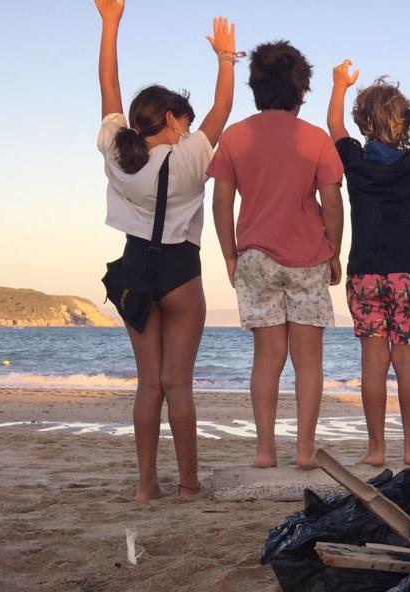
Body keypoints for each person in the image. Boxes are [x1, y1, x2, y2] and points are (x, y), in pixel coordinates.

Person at [95, 0, 236, 500]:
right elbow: (223, 109)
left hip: (134, 270)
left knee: (147, 384)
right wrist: (225, 58)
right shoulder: (191, 156)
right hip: (180, 272)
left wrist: (110, 24)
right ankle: (189, 484)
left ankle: (146, 486)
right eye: (185, 120)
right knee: (178, 384)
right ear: (174, 119)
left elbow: (109, 89)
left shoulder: (119, 153)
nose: (190, 126)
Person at [209, 41, 345, 470]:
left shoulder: (235, 137)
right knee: (308, 362)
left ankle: (265, 449)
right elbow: (333, 200)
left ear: (254, 87)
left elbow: (220, 201)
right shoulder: (316, 140)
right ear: (302, 90)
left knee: (266, 359)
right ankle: (304, 450)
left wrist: (229, 254)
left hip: (255, 256)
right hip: (308, 256)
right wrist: (335, 250)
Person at [327, 56, 410, 467]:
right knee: (407, 362)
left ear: (365, 124)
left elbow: (335, 126)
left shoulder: (354, 160)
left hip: (365, 273)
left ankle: (375, 448)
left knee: (372, 363)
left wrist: (339, 85)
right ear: (402, 124)